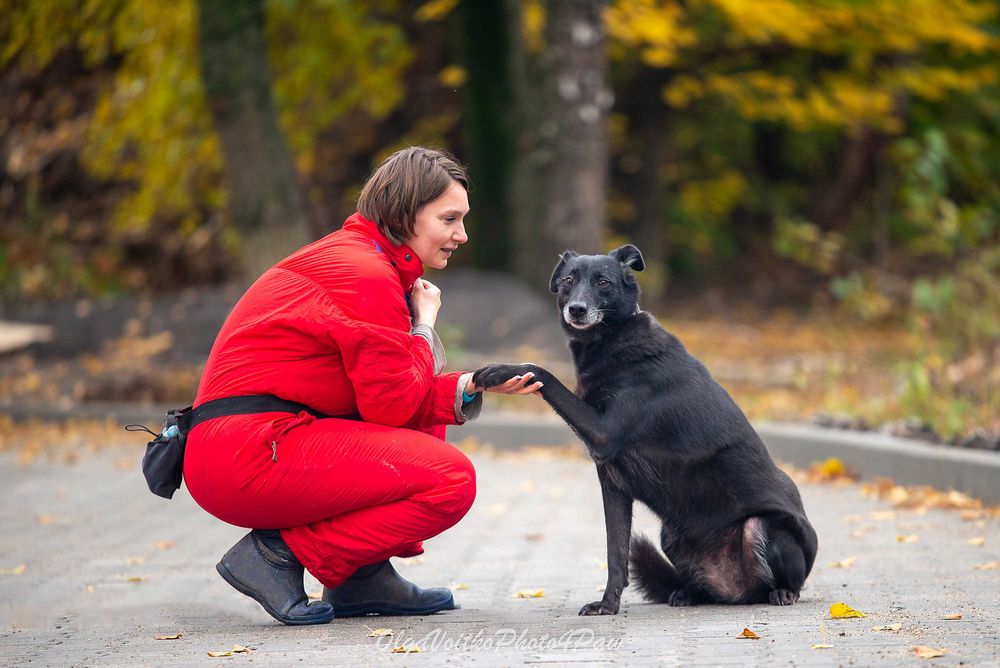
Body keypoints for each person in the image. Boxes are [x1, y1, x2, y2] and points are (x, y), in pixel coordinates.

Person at [182, 147, 542, 625]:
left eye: (463, 219)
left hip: (251, 441)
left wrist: (473, 385)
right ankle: (274, 555)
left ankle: (360, 576)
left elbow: (391, 397)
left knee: (426, 428)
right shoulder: (364, 274)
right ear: (404, 214)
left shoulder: (365, 261)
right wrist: (426, 325)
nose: (462, 235)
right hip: (247, 452)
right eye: (449, 219)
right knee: (450, 480)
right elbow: (393, 407)